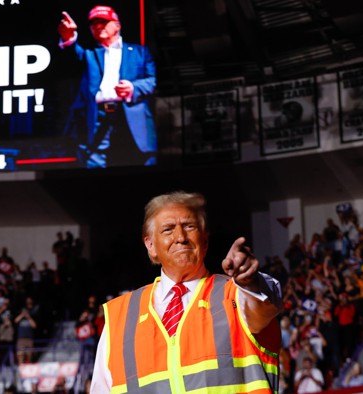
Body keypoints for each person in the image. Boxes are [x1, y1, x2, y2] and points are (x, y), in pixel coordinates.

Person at [88, 191, 282, 393]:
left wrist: (249, 281)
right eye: (168, 230)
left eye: (189, 226)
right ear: (151, 246)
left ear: (205, 240)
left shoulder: (236, 294)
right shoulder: (119, 316)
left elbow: (265, 305)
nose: (180, 237)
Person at [57, 5, 157, 168]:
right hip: (97, 116)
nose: (97, 26)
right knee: (94, 163)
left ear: (117, 25)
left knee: (140, 162)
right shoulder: (88, 53)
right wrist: (69, 37)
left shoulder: (139, 52)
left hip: (131, 114)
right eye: (93, 23)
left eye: (103, 22)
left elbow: (152, 80)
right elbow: (70, 57)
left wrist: (133, 87)